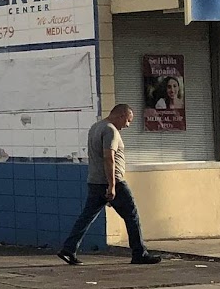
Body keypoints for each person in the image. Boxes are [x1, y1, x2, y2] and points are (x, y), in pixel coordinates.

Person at [58, 104, 159, 266]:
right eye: (128, 121)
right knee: (132, 216)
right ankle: (139, 253)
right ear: (121, 115)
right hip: (113, 182)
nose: (127, 125)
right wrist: (112, 186)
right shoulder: (110, 130)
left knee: (86, 217)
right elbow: (108, 157)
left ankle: (68, 249)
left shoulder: (95, 127)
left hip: (94, 181)